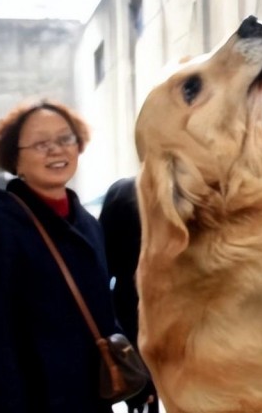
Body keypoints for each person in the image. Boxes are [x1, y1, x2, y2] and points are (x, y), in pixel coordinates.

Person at [0, 100, 116, 413]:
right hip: (39, 402)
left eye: (65, 139)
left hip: (96, 398)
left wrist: (135, 371)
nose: (56, 150)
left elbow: (103, 312)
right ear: (15, 160)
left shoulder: (88, 224)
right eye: (41, 143)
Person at [99, 176, 158, 413]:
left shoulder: (123, 191)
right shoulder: (129, 192)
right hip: (155, 317)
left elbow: (105, 264)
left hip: (134, 316)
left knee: (144, 399)